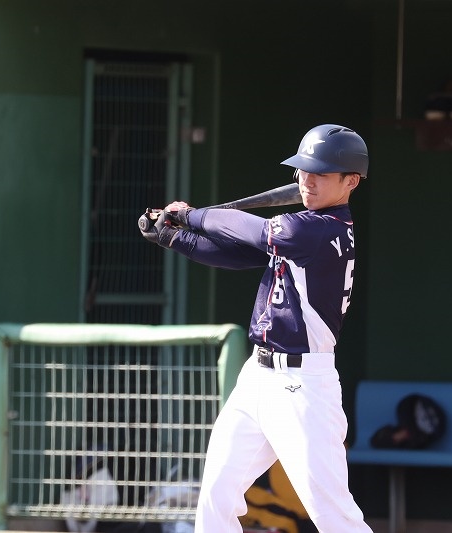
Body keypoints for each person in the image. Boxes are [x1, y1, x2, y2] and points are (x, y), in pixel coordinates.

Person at [139, 124, 373, 533]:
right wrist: (174, 238)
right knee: (216, 496)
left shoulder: (321, 230)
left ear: (350, 181)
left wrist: (190, 215)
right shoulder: (306, 227)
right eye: (304, 171)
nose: (307, 180)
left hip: (303, 387)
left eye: (321, 174)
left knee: (334, 515)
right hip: (257, 377)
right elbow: (236, 252)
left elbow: (250, 229)